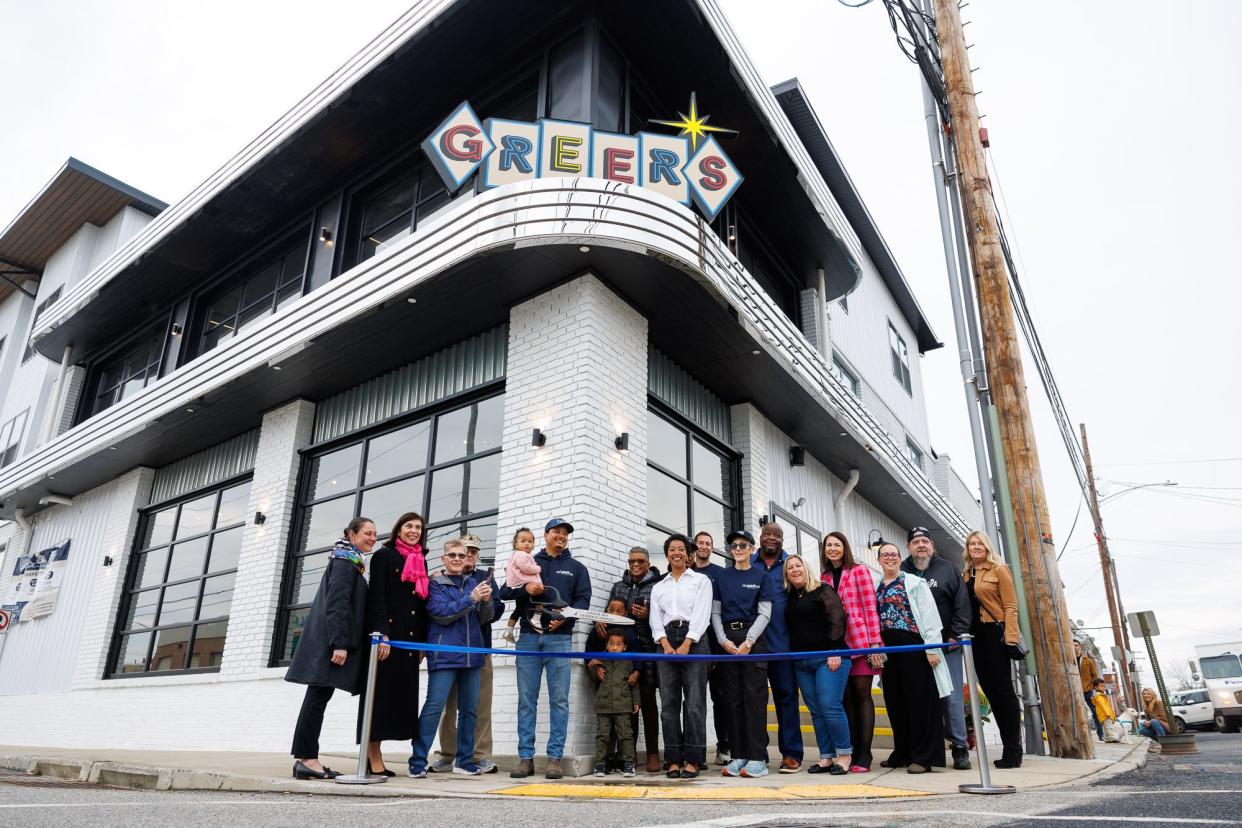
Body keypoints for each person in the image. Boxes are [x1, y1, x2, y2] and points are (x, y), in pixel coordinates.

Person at [500, 518, 592, 780]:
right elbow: (505, 591)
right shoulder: (526, 560)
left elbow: (583, 599)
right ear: (546, 535)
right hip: (528, 638)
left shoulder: (577, 568)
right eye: (556, 532)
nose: (561, 536)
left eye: (565, 533)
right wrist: (526, 589)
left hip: (560, 639)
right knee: (526, 701)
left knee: (559, 701)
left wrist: (567, 618)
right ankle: (525, 759)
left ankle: (555, 759)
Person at [285, 518, 374, 780]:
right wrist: (339, 644)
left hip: (329, 642)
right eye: (367, 533)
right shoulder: (346, 562)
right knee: (316, 700)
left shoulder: (350, 561)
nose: (372, 538)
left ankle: (305, 757)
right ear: (351, 534)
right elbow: (337, 605)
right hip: (330, 644)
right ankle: (307, 759)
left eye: (375, 534)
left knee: (316, 699)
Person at [408, 538, 494, 777]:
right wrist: (472, 599)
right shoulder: (435, 583)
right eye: (452, 555)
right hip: (444, 656)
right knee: (434, 708)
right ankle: (417, 761)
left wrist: (486, 602)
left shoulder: (474, 582)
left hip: (472, 656)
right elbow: (441, 614)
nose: (457, 559)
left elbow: (486, 618)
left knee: (470, 711)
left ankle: (464, 762)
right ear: (443, 558)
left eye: (461, 555)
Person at [358, 512, 429, 777]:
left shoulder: (419, 559)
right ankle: (371, 754)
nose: (413, 531)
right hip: (386, 639)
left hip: (408, 642)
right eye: (408, 526)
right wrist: (381, 633)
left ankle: (375, 753)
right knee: (378, 699)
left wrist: (421, 642)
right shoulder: (384, 556)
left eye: (418, 527)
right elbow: (376, 597)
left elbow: (419, 607)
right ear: (398, 529)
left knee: (397, 701)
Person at [875, 542, 952, 774]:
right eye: (884, 554)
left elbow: (929, 616)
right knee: (896, 702)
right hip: (890, 651)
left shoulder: (914, 583)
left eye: (894, 554)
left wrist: (932, 648)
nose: (889, 558)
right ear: (878, 560)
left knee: (920, 702)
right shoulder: (876, 586)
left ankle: (924, 756)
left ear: (900, 558)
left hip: (914, 646)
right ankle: (903, 752)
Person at [431, 534, 504, 774]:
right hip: (450, 650)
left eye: (473, 551)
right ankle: (446, 754)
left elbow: (496, 609)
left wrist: (487, 600)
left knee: (479, 706)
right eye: (465, 551)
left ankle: (480, 755)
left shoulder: (485, 577)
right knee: (447, 705)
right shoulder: (440, 579)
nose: (468, 555)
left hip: (479, 648)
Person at [901, 527, 972, 771]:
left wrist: (954, 636)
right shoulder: (902, 571)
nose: (921, 545)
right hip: (912, 649)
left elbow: (963, 605)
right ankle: (917, 749)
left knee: (950, 698)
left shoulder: (948, 569)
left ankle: (959, 747)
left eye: (925, 541)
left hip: (946, 645)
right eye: (916, 541)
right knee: (917, 699)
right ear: (909, 547)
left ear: (932, 545)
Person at [819, 532, 884, 773]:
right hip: (838, 645)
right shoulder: (824, 577)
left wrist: (875, 643)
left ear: (844, 547)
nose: (833, 549)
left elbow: (870, 607)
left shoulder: (859, 571)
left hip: (861, 641)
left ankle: (865, 753)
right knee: (844, 697)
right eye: (829, 545)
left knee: (861, 693)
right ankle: (852, 749)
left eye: (837, 545)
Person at [649, 533, 713, 779]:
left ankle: (694, 760)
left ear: (688, 555)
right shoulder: (658, 586)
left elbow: (702, 613)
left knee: (695, 703)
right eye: (671, 549)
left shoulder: (701, 580)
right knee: (668, 704)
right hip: (665, 640)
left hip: (694, 640)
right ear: (667, 555)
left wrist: (688, 641)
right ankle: (673, 759)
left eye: (681, 549)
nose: (676, 553)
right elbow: (655, 617)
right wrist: (664, 642)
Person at [710, 530, 772, 778]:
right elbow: (715, 613)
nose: (737, 549)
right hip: (728, 640)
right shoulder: (721, 577)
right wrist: (723, 640)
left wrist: (748, 641)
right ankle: (738, 755)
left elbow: (765, 613)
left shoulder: (761, 576)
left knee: (754, 701)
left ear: (751, 548)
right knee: (731, 701)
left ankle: (757, 758)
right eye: (734, 546)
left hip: (753, 642)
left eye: (743, 545)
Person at [960, 530, 1024, 767]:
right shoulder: (965, 573)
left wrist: (1011, 638)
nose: (976, 547)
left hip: (995, 634)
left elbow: (1010, 605)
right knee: (990, 691)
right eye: (972, 543)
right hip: (974, 638)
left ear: (987, 547)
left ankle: (1013, 750)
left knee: (1004, 692)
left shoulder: (999, 569)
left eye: (980, 543)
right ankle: (1011, 748)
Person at [785, 555, 853, 775]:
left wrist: (834, 649)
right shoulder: (791, 597)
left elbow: (837, 618)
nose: (795, 570)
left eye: (798, 566)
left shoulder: (822, 590)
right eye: (790, 568)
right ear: (786, 574)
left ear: (806, 568)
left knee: (830, 706)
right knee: (815, 710)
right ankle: (826, 756)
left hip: (829, 658)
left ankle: (844, 755)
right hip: (801, 662)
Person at [752, 521, 803, 773]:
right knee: (755, 702)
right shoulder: (748, 564)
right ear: (760, 537)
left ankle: (791, 754)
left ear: (782, 540)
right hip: (754, 647)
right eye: (767, 534)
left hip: (784, 645)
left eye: (777, 535)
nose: (771, 538)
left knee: (787, 700)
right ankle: (757, 753)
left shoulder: (791, 565)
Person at [609, 546, 664, 773]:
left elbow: (665, 615)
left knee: (649, 704)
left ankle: (652, 754)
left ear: (648, 562)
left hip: (649, 651)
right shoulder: (618, 587)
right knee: (626, 706)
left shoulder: (658, 586)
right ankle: (627, 756)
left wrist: (647, 615)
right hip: (624, 655)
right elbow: (610, 613)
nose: (635, 565)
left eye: (640, 561)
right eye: (631, 561)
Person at [585, 599, 639, 774]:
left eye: (619, 611)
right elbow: (591, 673)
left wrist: (636, 701)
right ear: (606, 645)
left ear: (625, 647)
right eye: (611, 609)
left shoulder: (629, 659)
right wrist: (592, 664)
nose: (615, 647)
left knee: (626, 735)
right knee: (603, 736)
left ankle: (628, 763)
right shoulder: (601, 658)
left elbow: (634, 683)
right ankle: (601, 763)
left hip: (623, 705)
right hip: (604, 705)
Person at [692, 530, 731, 766]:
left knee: (720, 698)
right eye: (700, 543)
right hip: (692, 643)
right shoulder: (686, 572)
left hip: (715, 644)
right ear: (694, 547)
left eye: (708, 543)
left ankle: (724, 746)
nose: (704, 547)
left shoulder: (720, 574)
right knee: (694, 699)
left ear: (712, 548)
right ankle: (694, 750)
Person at [501, 528, 537, 644]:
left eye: (530, 541)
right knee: (538, 601)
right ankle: (536, 620)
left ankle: (509, 630)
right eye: (523, 541)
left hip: (518, 588)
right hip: (523, 585)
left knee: (518, 609)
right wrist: (537, 569)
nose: (527, 543)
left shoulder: (514, 556)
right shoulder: (522, 556)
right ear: (516, 544)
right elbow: (526, 569)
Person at [1076, 640, 1104, 740]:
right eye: (1072, 645)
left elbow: (1094, 675)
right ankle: (1079, 734)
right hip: (1074, 690)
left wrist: (1092, 688)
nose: (1074, 647)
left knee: (1095, 711)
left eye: (1076, 645)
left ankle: (1101, 734)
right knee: (1076, 712)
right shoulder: (1069, 659)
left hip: (1087, 690)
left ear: (1079, 647)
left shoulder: (1087, 660)